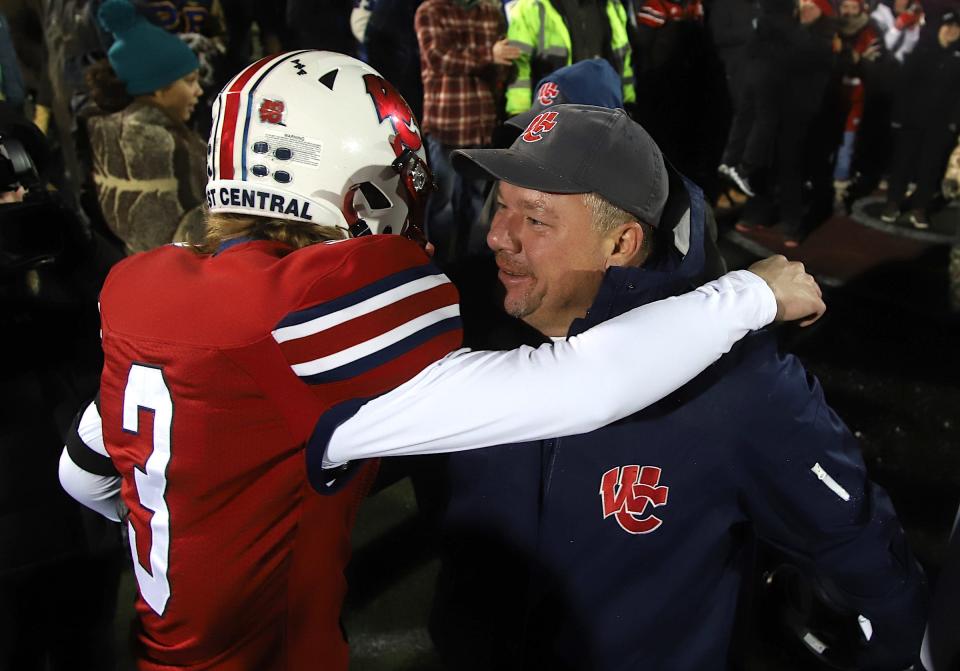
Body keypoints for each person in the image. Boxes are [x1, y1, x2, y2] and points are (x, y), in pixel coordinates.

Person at [58, 51, 825, 670]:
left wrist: (201, 529)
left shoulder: (164, 291)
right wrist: (750, 294)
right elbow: (582, 385)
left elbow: (86, 471)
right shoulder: (299, 312)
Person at [432, 103, 927, 671]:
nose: (498, 236)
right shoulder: (466, 322)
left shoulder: (734, 384)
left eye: (536, 219)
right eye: (501, 206)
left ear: (620, 245)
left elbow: (864, 561)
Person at [83, 0, 206, 254]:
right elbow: (185, 239)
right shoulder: (156, 143)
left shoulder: (114, 131)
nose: (198, 91)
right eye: (189, 81)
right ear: (158, 89)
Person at [414, 0, 512, 263]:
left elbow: (502, 61)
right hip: (448, 123)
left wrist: (497, 63)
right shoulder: (432, 10)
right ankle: (438, 266)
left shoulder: (490, 12)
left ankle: (474, 269)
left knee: (478, 203)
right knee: (443, 204)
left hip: (482, 123)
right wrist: (488, 55)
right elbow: (440, 56)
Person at [880, 9, 960, 230]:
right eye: (948, 26)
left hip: (940, 125)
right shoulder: (922, 51)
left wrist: (954, 122)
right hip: (912, 121)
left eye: (956, 27)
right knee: (903, 162)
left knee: (930, 167)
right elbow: (904, 86)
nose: (952, 31)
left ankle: (920, 207)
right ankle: (893, 203)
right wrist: (898, 116)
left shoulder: (958, 56)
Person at [504, 0, 636, 116]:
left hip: (604, 110)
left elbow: (622, 58)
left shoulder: (612, 5)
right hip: (552, 114)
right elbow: (520, 67)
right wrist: (519, 113)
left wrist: (628, 103)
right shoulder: (531, 6)